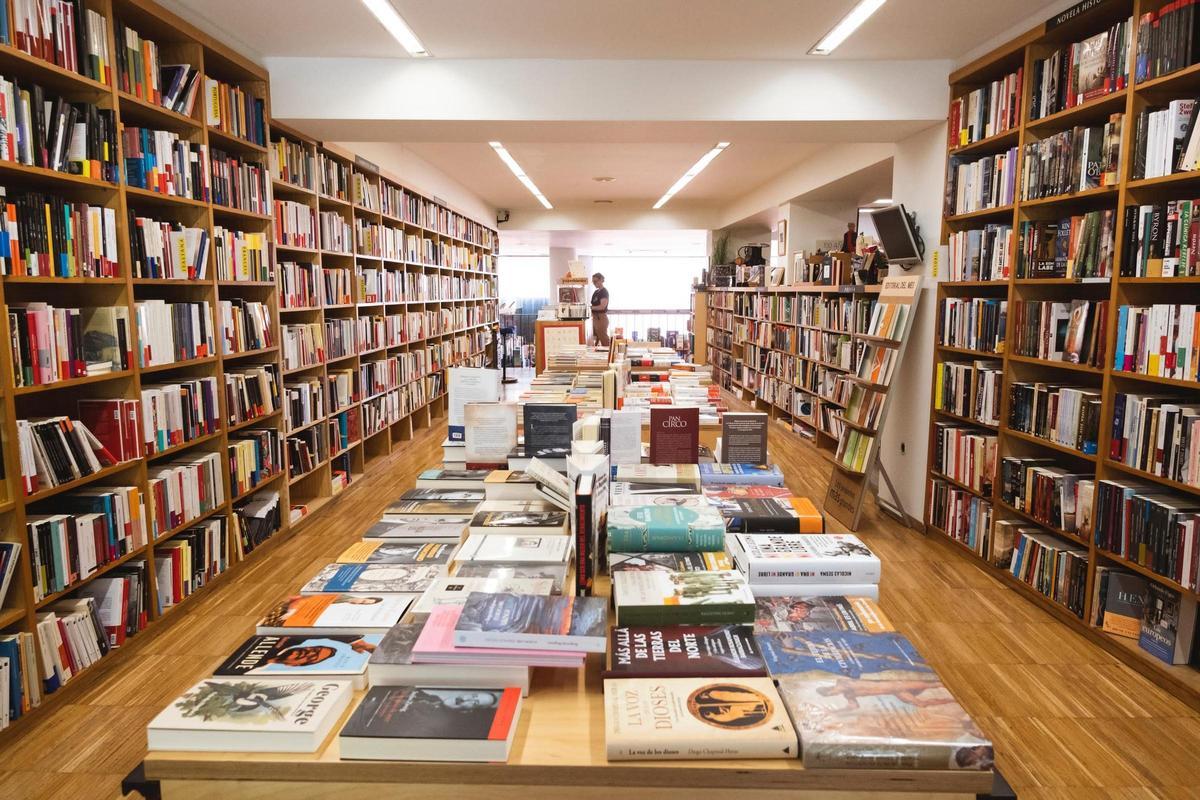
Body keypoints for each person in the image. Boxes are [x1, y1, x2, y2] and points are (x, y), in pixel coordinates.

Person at [590, 272, 610, 346]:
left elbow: (602, 306)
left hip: (601, 318)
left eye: (595, 281)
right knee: (596, 340)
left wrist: (590, 308)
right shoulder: (596, 292)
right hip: (595, 317)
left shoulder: (604, 292)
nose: (594, 283)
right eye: (593, 282)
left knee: (604, 340)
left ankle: (609, 352)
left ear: (601, 280)